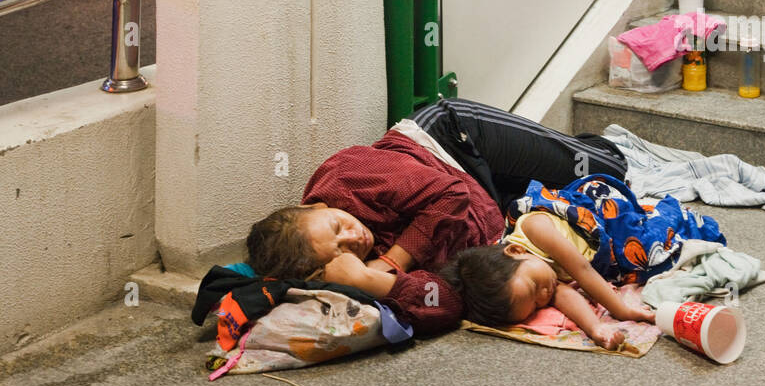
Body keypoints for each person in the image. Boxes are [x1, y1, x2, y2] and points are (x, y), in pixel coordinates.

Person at [245, 97, 628, 336]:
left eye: (338, 226)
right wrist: (371, 282)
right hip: (495, 214)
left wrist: (391, 261)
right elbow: (447, 304)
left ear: (314, 206)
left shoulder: (345, 176)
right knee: (579, 205)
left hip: (454, 142)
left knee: (611, 166)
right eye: (343, 250)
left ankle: (576, 143)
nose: (354, 238)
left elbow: (450, 193)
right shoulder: (355, 270)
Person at [439, 204, 656, 349]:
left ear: (515, 251)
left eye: (534, 287)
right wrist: (595, 328)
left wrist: (622, 310)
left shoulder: (535, 229)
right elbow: (566, 297)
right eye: (536, 306)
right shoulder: (539, 278)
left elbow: (582, 270)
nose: (545, 296)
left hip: (596, 213)